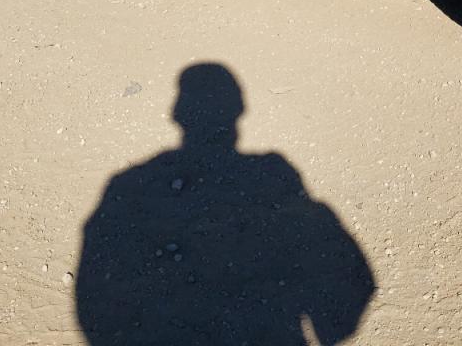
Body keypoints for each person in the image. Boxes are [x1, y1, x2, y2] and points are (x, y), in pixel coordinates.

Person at [76, 63, 374, 344]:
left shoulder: (130, 184)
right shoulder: (275, 173)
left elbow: (94, 292)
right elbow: (353, 279)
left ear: (177, 113)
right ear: (240, 109)